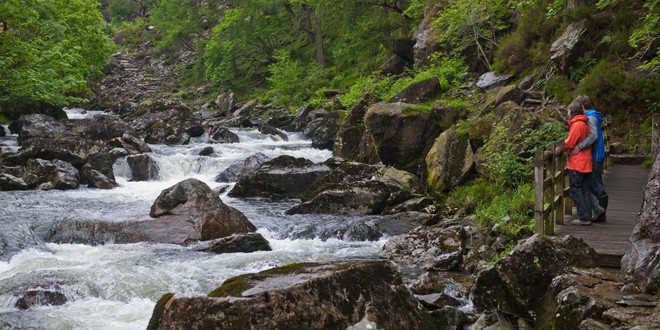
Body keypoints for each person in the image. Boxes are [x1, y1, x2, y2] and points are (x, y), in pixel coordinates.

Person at [571, 95, 608, 222]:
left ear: (582, 107)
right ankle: (597, 212)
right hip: (595, 154)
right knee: (589, 185)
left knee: (595, 186)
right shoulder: (593, 116)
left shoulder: (591, 118)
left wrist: (579, 146)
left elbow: (593, 137)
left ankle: (600, 214)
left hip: (595, 155)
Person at [565, 101, 593, 226]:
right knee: (584, 188)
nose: (567, 113)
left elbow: (570, 143)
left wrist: (564, 143)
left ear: (573, 111)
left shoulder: (577, 125)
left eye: (568, 111)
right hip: (585, 160)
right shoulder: (585, 122)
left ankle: (584, 217)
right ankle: (587, 215)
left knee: (576, 189)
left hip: (578, 162)